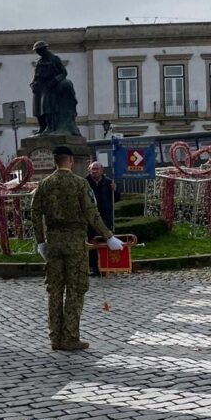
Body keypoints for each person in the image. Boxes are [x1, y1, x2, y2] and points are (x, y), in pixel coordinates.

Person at [31, 146, 124, 351]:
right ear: (70, 161)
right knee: (75, 289)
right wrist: (108, 236)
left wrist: (40, 241)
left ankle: (55, 337)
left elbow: (35, 214)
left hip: (53, 242)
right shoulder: (80, 183)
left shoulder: (44, 185)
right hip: (74, 242)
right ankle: (70, 337)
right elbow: (92, 213)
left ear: (55, 161)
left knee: (54, 290)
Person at [30, 41, 81, 136]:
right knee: (37, 107)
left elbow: (63, 72)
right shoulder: (39, 61)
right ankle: (42, 127)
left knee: (47, 107)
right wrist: (33, 84)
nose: (38, 52)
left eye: (39, 50)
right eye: (36, 51)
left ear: (44, 49)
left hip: (50, 85)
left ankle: (50, 127)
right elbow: (36, 75)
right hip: (39, 86)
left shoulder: (54, 59)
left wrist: (55, 80)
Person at [85, 161, 121, 276]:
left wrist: (114, 190)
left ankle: (107, 265)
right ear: (89, 170)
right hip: (90, 218)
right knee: (92, 242)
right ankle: (93, 267)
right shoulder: (84, 183)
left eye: (97, 169)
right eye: (93, 169)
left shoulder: (109, 182)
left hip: (105, 216)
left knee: (106, 240)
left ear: (102, 170)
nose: (95, 171)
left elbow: (116, 199)